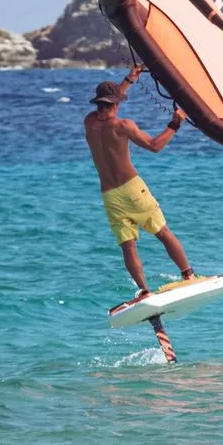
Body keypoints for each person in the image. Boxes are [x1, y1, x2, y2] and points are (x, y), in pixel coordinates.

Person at [83, 65, 198, 300]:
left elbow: (110, 105)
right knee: (162, 232)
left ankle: (144, 291)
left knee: (128, 245)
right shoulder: (124, 126)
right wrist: (175, 123)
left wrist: (129, 80)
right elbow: (155, 146)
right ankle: (188, 276)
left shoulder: (89, 123)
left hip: (109, 195)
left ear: (98, 103)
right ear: (116, 104)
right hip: (133, 189)